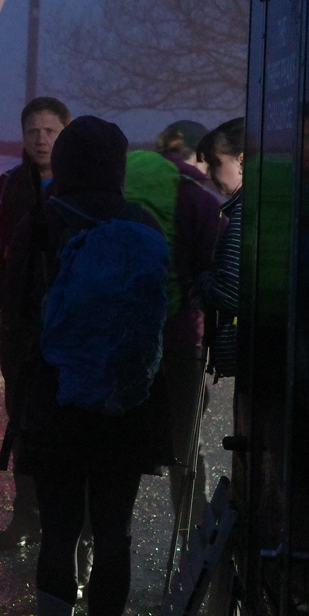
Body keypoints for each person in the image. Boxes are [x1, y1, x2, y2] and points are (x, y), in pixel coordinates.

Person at [4, 116, 173, 616]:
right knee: (113, 532)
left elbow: (15, 313)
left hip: (55, 398)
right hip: (127, 403)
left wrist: (20, 391)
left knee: (59, 530)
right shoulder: (142, 223)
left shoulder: (40, 221)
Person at [0, 96, 70, 549]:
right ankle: (26, 514)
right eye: (33, 130)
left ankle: (65, 520)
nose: (41, 139)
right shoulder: (8, 187)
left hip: (69, 330)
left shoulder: (78, 188)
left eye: (50, 130)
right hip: (19, 328)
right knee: (22, 420)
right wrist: (6, 300)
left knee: (67, 424)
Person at [129, 120, 223, 532]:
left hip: (123, 338)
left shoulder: (124, 186)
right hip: (182, 337)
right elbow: (216, 274)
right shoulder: (200, 199)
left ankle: (99, 545)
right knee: (186, 447)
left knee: (119, 446)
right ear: (201, 156)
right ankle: (190, 536)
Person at [192, 118, 245, 381]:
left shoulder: (243, 216)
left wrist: (200, 278)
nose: (210, 174)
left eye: (216, 163)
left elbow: (229, 293)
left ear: (242, 161)